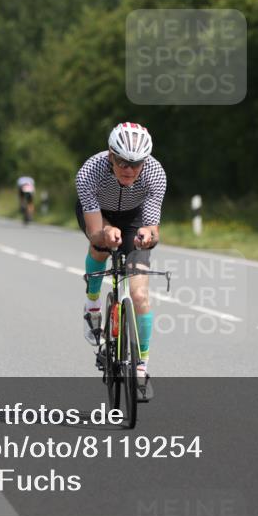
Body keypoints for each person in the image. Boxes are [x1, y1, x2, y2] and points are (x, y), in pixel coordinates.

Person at [75, 122, 165, 392]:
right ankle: (92, 306)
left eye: (136, 163)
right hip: (98, 214)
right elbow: (94, 232)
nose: (130, 170)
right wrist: (106, 232)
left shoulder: (155, 174)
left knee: (139, 295)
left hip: (134, 218)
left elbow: (152, 228)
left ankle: (141, 366)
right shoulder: (90, 171)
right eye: (123, 162)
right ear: (111, 156)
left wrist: (147, 237)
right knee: (99, 249)